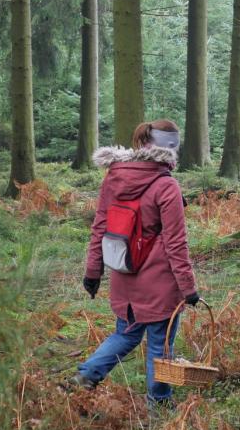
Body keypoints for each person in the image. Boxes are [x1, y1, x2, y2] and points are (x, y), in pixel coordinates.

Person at [72, 119, 200, 404]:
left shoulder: (114, 176)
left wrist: (93, 272)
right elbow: (176, 243)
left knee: (126, 334)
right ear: (172, 149)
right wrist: (188, 289)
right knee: (160, 344)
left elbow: (100, 226)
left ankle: (88, 373)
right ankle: (160, 404)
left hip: (124, 274)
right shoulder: (167, 186)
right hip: (160, 284)